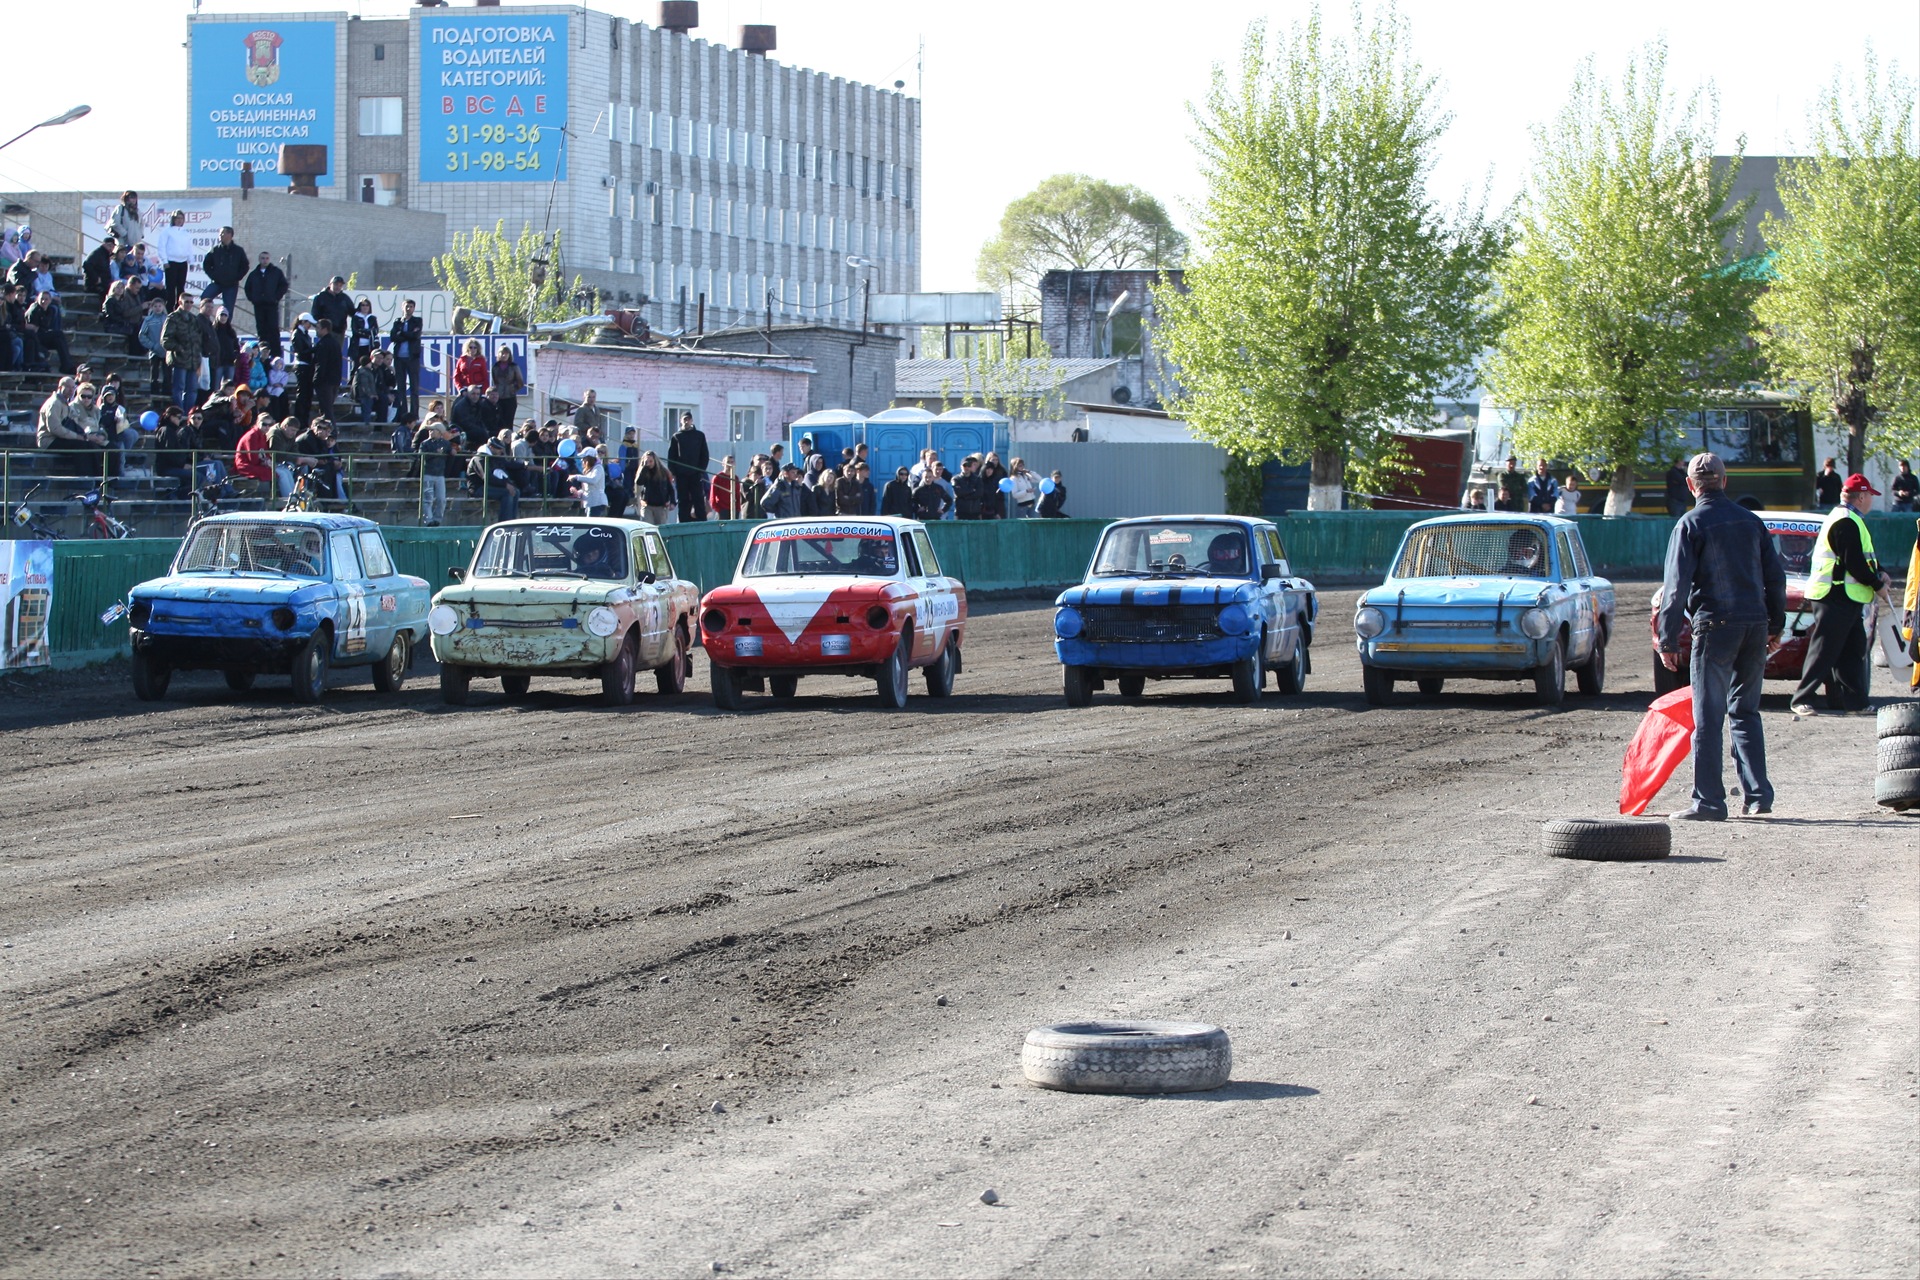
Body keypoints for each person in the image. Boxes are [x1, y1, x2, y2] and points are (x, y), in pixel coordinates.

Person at [1654, 452, 1787, 820]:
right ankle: (1758, 797)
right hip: (1755, 625)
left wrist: (1667, 640)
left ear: (1690, 485)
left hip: (1715, 627)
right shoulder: (1752, 522)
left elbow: (1675, 588)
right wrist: (1775, 626)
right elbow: (1776, 578)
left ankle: (1709, 802)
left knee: (1708, 717)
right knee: (1745, 711)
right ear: (1725, 481)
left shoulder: (1690, 524)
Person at [1791, 473, 1892, 718]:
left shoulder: (1849, 519)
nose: (1871, 500)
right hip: (1834, 595)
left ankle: (1856, 702)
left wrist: (1880, 571)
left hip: (1845, 596)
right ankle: (1801, 698)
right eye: (1870, 495)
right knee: (1825, 649)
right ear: (1861, 497)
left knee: (1852, 650)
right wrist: (1877, 584)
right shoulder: (1845, 521)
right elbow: (1853, 562)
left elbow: (1863, 557)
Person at [242, 252, 288, 357]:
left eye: (267, 258)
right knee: (261, 330)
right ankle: (263, 354)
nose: (265, 260)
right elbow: (248, 288)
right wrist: (254, 299)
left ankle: (276, 355)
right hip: (259, 306)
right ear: (259, 259)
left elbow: (283, 285)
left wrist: (276, 297)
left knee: (273, 329)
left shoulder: (276, 272)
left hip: (272, 305)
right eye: (263, 258)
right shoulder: (254, 274)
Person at [160, 294, 202, 409]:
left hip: (193, 360)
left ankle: (188, 413)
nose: (189, 304)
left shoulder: (193, 319)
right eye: (186, 302)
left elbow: (198, 339)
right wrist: (179, 348)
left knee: (192, 390)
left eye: (191, 302)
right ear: (180, 303)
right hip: (179, 360)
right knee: (179, 388)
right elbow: (165, 340)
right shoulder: (173, 318)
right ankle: (178, 412)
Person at [668, 411, 710, 522]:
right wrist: (674, 472)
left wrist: (700, 470)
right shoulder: (676, 436)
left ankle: (702, 523)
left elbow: (704, 455)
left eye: (688, 419)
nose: (686, 421)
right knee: (683, 500)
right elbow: (671, 457)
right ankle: (683, 523)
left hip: (696, 474)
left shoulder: (699, 436)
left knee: (698, 498)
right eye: (684, 419)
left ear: (692, 420)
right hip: (681, 475)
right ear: (681, 421)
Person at [413, 418, 454, 526]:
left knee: (441, 499)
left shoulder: (446, 444)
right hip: (428, 474)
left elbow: (450, 451)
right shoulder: (425, 444)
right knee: (427, 499)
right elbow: (421, 457)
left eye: (433, 430)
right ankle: (428, 520)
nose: (430, 432)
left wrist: (452, 451)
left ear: (439, 432)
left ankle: (437, 520)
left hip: (440, 475)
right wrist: (435, 453)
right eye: (430, 430)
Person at [200, 226, 248, 314]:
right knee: (205, 297)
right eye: (220, 233)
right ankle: (205, 319)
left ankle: (224, 322)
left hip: (231, 284)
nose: (220, 235)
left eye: (222, 233)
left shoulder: (238, 250)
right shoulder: (215, 250)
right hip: (217, 282)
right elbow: (206, 264)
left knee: (228, 308)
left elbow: (245, 266)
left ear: (229, 235)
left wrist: (236, 277)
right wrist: (213, 276)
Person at [387, 299, 422, 418]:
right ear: (403, 307)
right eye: (407, 306)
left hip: (412, 358)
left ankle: (414, 414)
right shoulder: (397, 321)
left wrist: (401, 333)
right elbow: (393, 337)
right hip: (399, 358)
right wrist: (408, 334)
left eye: (411, 306)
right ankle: (403, 414)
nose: (409, 309)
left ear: (414, 308)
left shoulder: (417, 321)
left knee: (414, 388)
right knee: (401, 387)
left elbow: (415, 336)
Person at [154, 210, 194, 308]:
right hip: (171, 263)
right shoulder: (167, 232)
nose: (179, 220)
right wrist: (165, 261)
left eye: (181, 218)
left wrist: (191, 261)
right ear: (173, 219)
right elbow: (161, 247)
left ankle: (179, 307)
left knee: (181, 287)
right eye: (177, 218)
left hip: (183, 263)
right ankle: (169, 308)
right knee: (170, 288)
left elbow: (189, 248)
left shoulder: (186, 233)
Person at [311, 319, 344, 423]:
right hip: (334, 381)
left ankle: (331, 431)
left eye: (318, 328)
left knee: (326, 410)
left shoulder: (323, 344)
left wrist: (316, 380)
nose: (316, 330)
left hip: (325, 381)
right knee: (327, 409)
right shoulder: (335, 343)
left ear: (324, 329)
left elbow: (321, 363)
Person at [635, 450, 675, 524]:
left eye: (651, 461)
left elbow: (670, 489)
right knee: (648, 525)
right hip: (647, 505)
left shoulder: (663, 472)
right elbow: (639, 482)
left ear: (655, 461)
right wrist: (644, 468)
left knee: (660, 527)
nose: (649, 464)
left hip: (661, 506)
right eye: (647, 461)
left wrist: (672, 502)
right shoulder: (644, 472)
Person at [489, 347, 525, 426]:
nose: (504, 355)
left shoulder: (514, 366)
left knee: (509, 421)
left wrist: (512, 389)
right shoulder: (495, 367)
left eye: (506, 353)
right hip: (498, 398)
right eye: (502, 353)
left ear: (509, 355)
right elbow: (494, 381)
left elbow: (520, 382)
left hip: (510, 397)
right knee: (498, 421)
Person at [570, 447, 610, 516]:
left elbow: (593, 480)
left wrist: (577, 477)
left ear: (589, 459)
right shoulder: (590, 470)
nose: (582, 460)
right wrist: (578, 492)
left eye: (584, 458)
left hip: (597, 503)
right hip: (590, 503)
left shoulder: (598, 468)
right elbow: (589, 488)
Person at [953, 454, 990, 520]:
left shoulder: (977, 479)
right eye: (965, 465)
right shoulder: (956, 479)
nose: (967, 468)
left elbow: (979, 493)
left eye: (969, 465)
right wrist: (972, 490)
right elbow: (959, 493)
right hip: (961, 513)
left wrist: (965, 496)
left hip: (975, 513)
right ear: (961, 466)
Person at [710, 455, 746, 520]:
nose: (730, 464)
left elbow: (737, 494)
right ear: (723, 464)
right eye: (728, 462)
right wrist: (718, 509)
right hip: (722, 509)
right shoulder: (717, 477)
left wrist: (738, 509)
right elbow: (713, 496)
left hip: (734, 509)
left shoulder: (735, 478)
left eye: (732, 462)